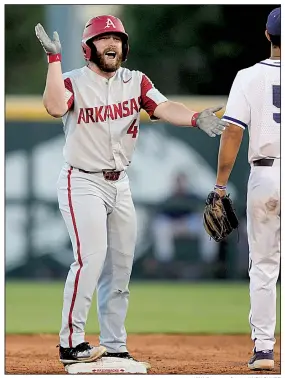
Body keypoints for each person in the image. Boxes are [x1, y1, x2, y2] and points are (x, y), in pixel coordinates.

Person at [35, 15, 228, 366]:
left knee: (121, 268)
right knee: (90, 260)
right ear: (87, 48)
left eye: (117, 39)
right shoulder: (72, 82)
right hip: (82, 180)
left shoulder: (135, 81)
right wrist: (53, 61)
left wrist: (195, 117)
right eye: (103, 38)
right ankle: (71, 342)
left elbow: (164, 105)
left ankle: (113, 342)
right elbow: (52, 107)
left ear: (126, 46)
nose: (112, 44)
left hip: (119, 183)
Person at [213, 7, 280, 371]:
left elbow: (234, 131)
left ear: (267, 35)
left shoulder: (248, 77)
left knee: (265, 266)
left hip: (266, 175)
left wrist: (221, 185)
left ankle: (265, 349)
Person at [152, 172, 219, 273]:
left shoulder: (194, 197)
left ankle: (208, 261)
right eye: (178, 182)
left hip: (190, 225)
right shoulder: (169, 199)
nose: (180, 184)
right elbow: (161, 216)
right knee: (160, 226)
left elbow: (205, 210)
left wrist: (188, 221)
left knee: (209, 224)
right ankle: (165, 262)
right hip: (173, 226)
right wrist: (177, 223)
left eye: (182, 181)